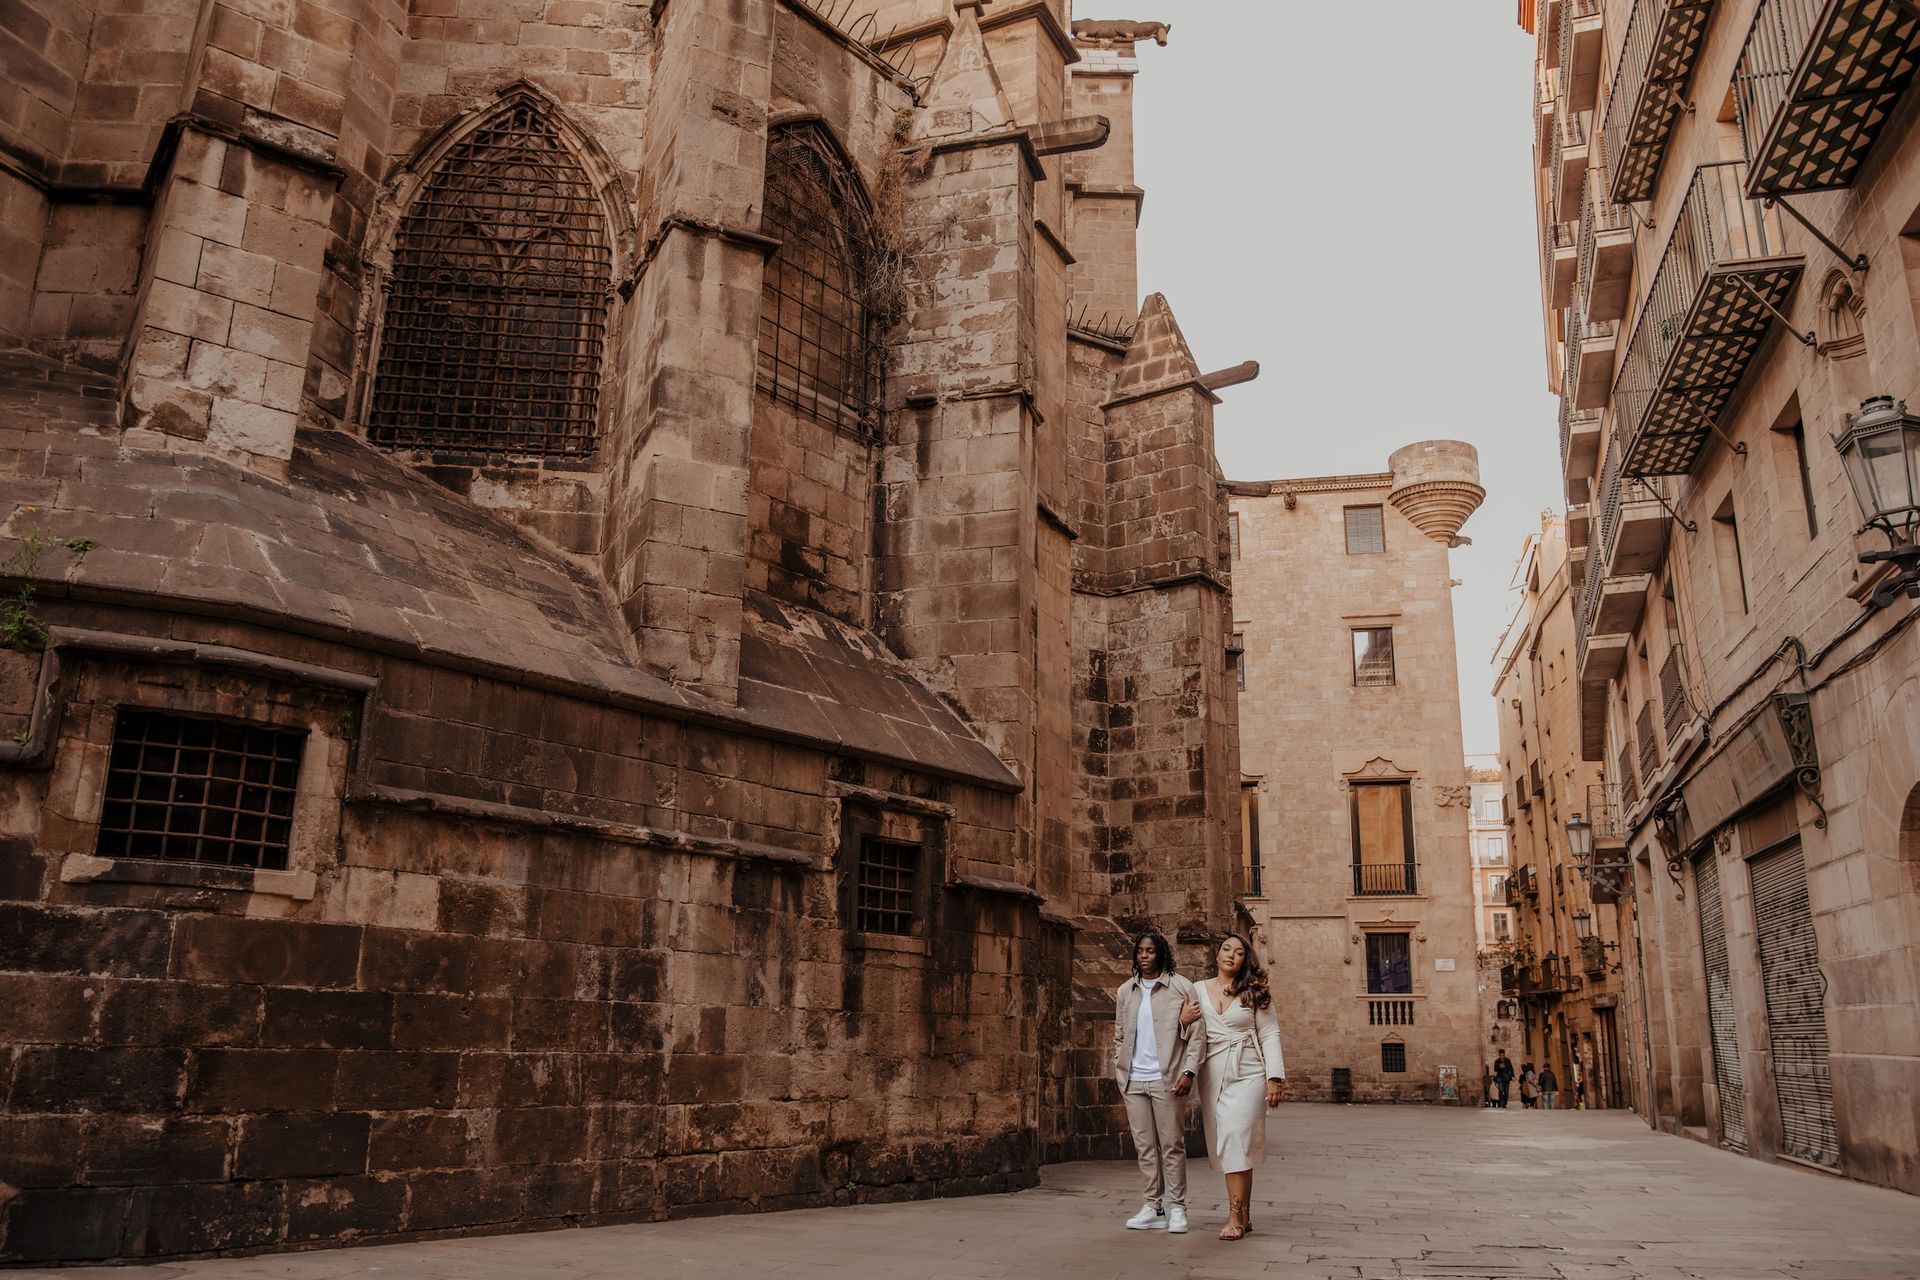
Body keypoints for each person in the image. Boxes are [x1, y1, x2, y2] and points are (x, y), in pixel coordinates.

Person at [1178, 932, 1285, 1242]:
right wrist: (1183, 1021)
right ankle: (1246, 1212)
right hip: (1213, 1074)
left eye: (1239, 952)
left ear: (1244, 961)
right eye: (1226, 949)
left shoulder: (1256, 992)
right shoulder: (1196, 990)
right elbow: (1189, 1035)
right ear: (1217, 955)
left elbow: (1270, 1035)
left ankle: (1235, 1215)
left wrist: (1275, 1078)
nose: (1231, 955)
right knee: (1230, 1143)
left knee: (1237, 1139)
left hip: (1248, 1071)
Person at [1112, 930, 1203, 1235]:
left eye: (1150, 951)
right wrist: (1119, 1066)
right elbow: (1120, 1034)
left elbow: (1197, 1037)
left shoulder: (1181, 987)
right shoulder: (1126, 991)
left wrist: (1188, 1072)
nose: (1144, 956)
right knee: (1144, 1147)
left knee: (1172, 1146)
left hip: (1168, 1079)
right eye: (1140, 951)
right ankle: (1154, 1206)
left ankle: (1178, 1207)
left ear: (1161, 952)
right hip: (1134, 1079)